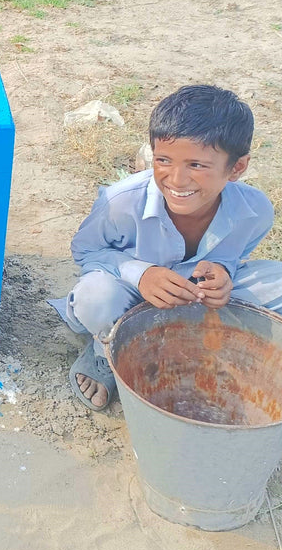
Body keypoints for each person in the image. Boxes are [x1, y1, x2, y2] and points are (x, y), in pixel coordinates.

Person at [51, 85, 282, 411]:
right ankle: (104, 349)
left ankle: (200, 341)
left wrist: (223, 274)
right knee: (95, 297)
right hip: (129, 294)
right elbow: (86, 250)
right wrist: (142, 274)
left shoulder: (255, 212)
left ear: (237, 168)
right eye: (163, 160)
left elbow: (233, 256)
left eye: (197, 165)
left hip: (194, 296)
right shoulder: (121, 202)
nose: (176, 179)